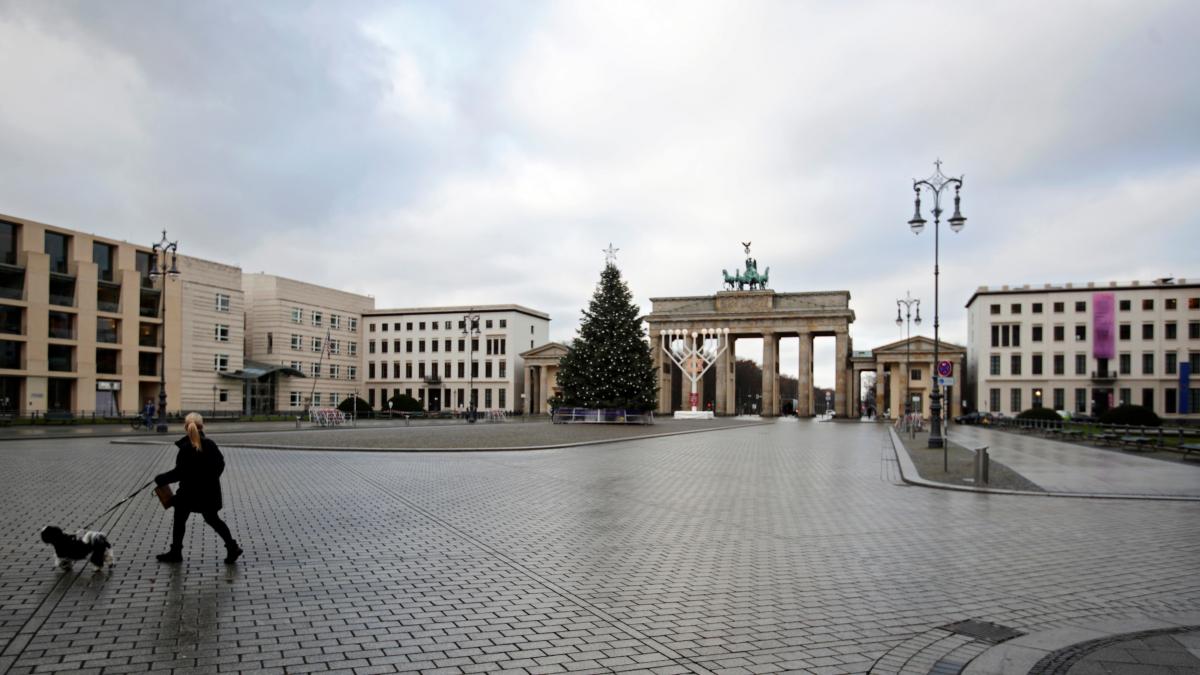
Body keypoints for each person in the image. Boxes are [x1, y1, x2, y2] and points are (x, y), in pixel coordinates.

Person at [154, 412, 242, 563]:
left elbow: (179, 473)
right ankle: (232, 547)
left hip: (188, 494)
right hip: (209, 493)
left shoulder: (185, 448)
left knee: (179, 521)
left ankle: (176, 552)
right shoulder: (211, 445)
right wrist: (210, 480)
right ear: (202, 425)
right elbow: (220, 465)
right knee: (213, 520)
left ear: (185, 427)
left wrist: (161, 478)